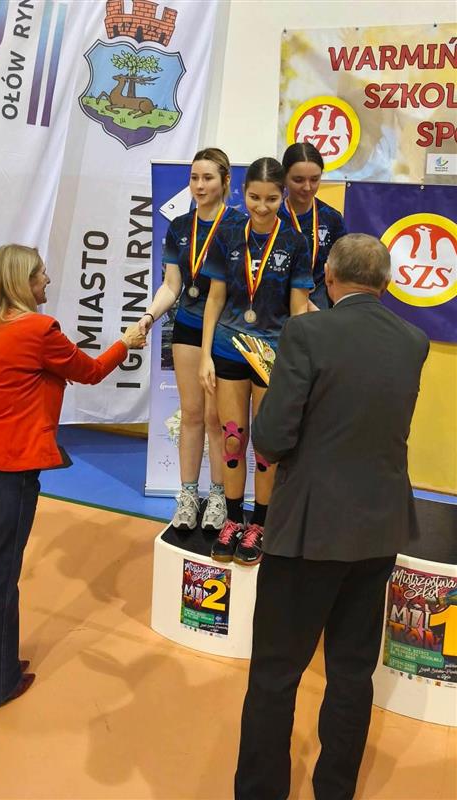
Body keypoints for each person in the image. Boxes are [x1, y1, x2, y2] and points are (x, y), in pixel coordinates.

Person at [234, 234, 430, 799]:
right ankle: (335, 790)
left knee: (275, 673)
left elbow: (272, 438)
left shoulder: (306, 333)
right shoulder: (413, 340)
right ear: (386, 282)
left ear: (329, 277)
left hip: (309, 529)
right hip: (379, 527)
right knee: (351, 671)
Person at [0, 244, 145, 711]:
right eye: (41, 274)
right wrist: (125, 343)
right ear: (22, 282)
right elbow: (89, 372)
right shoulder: (38, 331)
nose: (48, 280)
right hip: (11, 470)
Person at [199, 157, 313, 566]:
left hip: (271, 357)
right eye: (254, 197)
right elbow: (215, 298)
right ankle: (233, 520)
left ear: (283, 197)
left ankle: (260, 524)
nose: (262, 207)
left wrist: (300, 362)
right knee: (233, 438)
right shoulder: (228, 233)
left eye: (271, 199)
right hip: (228, 350)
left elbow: (299, 310)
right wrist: (206, 356)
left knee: (266, 446)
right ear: (242, 193)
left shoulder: (295, 243)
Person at [139, 148, 246, 532]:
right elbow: (172, 285)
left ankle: (218, 495)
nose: (200, 186)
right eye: (194, 178)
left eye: (208, 178)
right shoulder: (180, 226)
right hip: (186, 326)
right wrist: (149, 317)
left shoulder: (240, 226)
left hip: (225, 331)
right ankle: (187, 495)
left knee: (218, 418)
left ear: (225, 181)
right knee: (192, 414)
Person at [279, 141, 347, 309]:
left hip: (320, 306)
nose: (307, 187)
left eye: (315, 179)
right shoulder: (273, 217)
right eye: (298, 180)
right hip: (278, 303)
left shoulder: (332, 218)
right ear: (284, 177)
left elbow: (343, 269)